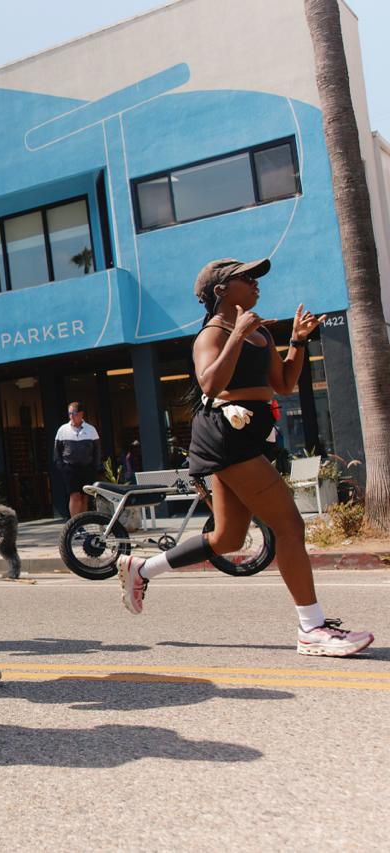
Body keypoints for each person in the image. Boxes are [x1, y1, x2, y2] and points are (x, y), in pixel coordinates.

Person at [118, 258, 373, 657]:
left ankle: (142, 569)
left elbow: (284, 384)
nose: (255, 284)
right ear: (221, 290)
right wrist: (236, 334)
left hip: (251, 433)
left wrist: (299, 342)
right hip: (225, 434)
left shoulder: (262, 335)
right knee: (288, 524)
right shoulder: (211, 334)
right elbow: (210, 382)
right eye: (246, 278)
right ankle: (312, 628)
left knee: (228, 537)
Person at [55, 403, 101, 517]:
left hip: (87, 468)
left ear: (81, 414)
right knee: (74, 496)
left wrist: (95, 466)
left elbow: (97, 450)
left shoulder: (91, 430)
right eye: (69, 413)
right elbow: (57, 451)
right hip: (70, 469)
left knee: (84, 497)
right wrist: (62, 466)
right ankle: (75, 524)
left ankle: (83, 524)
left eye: (74, 413)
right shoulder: (62, 430)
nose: (71, 416)